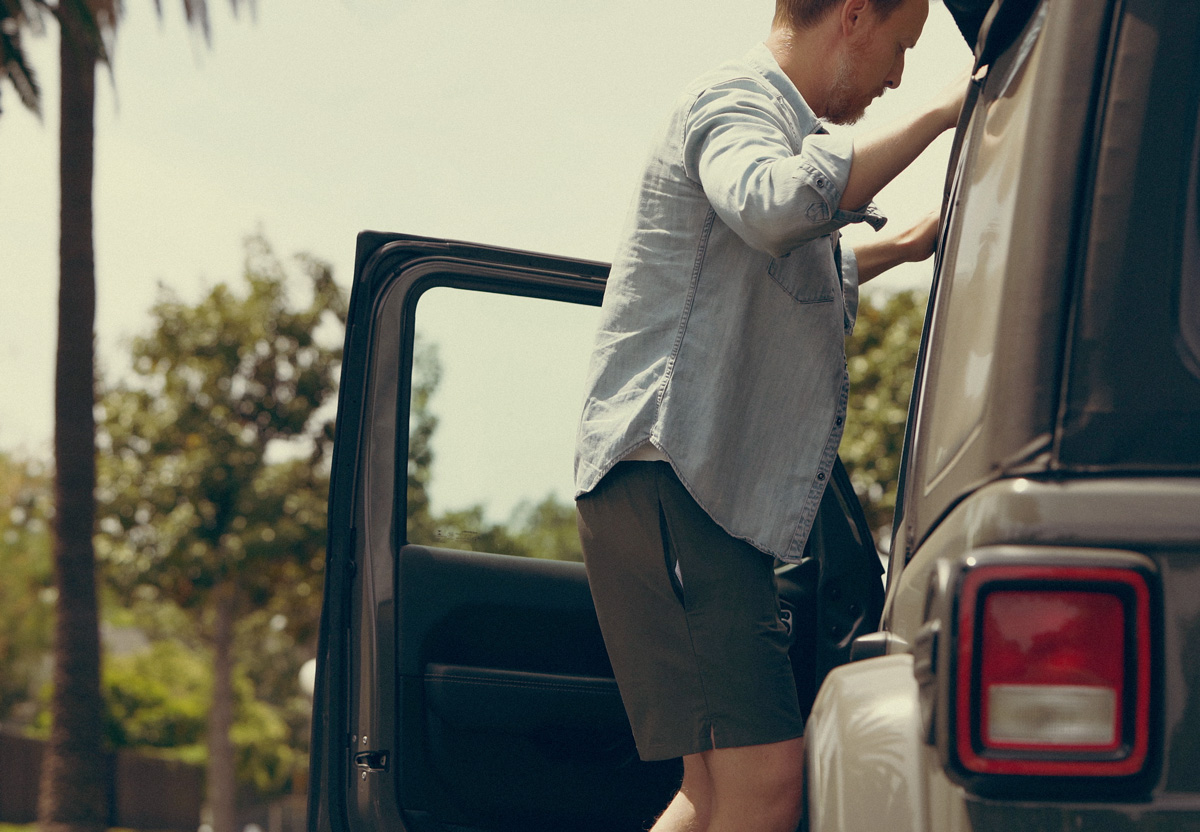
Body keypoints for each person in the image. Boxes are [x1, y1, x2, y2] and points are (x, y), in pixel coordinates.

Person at [573, 0, 965, 829]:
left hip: (674, 490)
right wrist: (942, 113)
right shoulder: (737, 101)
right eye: (899, 48)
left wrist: (902, 245)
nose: (898, 75)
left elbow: (773, 269)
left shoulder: (775, 125)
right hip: (677, 480)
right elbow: (773, 206)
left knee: (711, 791)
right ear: (854, 16)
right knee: (770, 780)